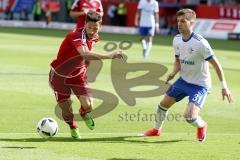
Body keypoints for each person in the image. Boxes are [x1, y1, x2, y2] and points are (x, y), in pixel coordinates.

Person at [143, 8, 233, 142]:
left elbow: (216, 64)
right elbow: (178, 60)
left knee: (189, 116)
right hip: (183, 81)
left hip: (200, 85)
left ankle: (202, 125)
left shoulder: (201, 43)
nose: (179, 24)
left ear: (192, 23)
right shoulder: (177, 39)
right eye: (178, 21)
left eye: (183, 21)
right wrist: (174, 72)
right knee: (162, 105)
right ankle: (156, 130)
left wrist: (224, 87)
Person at [49, 11, 125, 139]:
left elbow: (88, 54)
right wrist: (109, 56)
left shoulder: (96, 37)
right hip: (59, 77)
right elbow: (85, 53)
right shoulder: (76, 35)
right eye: (89, 27)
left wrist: (86, 69)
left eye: (95, 28)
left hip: (78, 76)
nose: (92, 31)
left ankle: (84, 114)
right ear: (84, 24)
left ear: (100, 27)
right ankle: (73, 127)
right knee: (66, 108)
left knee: (89, 105)